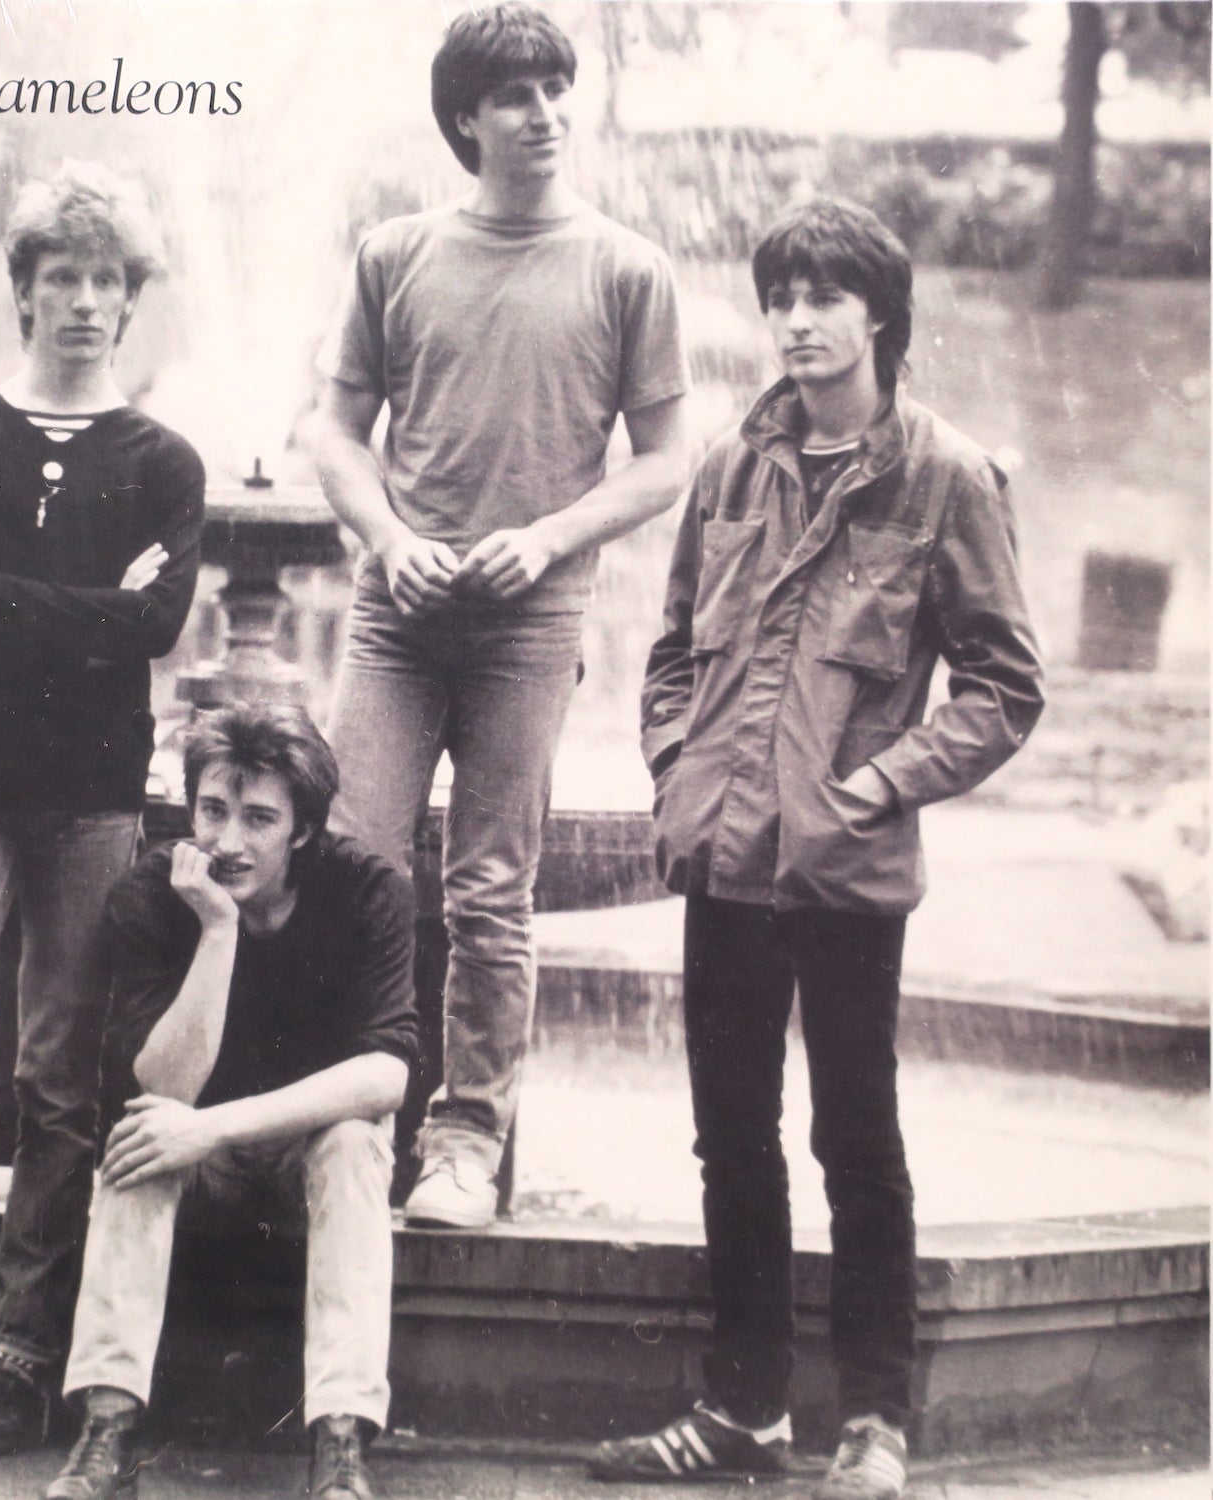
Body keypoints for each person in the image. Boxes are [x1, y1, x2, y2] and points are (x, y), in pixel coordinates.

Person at [590, 199, 1044, 1500]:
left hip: (846, 869)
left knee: (858, 1140)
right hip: (724, 860)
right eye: (780, 298)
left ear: (880, 316)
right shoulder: (732, 466)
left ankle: (874, 1424)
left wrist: (879, 786)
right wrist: (677, 766)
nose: (794, 322)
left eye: (822, 298)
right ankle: (744, 1410)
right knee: (732, 1138)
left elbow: (1005, 687)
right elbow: (671, 647)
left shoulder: (947, 475)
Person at [308, 3, 688, 1230]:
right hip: (397, 618)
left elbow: (666, 459)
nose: (544, 115)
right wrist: (390, 539)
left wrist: (552, 536)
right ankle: (346, 1122)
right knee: (355, 866)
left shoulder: (627, 268)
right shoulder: (397, 253)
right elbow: (333, 432)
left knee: (490, 891)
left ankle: (465, 1143)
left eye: (555, 90)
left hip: (529, 626)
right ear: (465, 118)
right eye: (515, 96)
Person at [0, 161, 205, 1458]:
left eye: (105, 279)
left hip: (92, 799)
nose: (83, 301)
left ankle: (8, 1363)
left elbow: (153, 625)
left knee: (64, 1080)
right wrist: (80, 609)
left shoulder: (162, 462)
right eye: (60, 276)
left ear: (131, 300)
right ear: (23, 290)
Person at [41, 703, 418, 1500]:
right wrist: (218, 931)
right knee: (142, 1138)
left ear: (304, 828)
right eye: (212, 810)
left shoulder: (367, 889)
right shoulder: (154, 893)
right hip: (196, 1161)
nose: (227, 842)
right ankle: (107, 1425)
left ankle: (341, 1440)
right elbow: (165, 1087)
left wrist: (211, 1128)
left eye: (259, 818)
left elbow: (386, 1076)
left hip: (302, 1154)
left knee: (356, 1142)